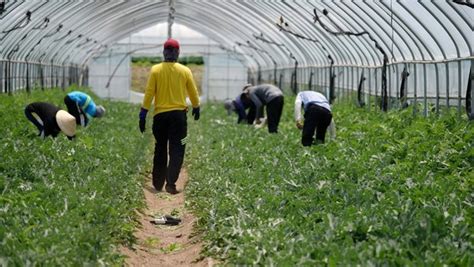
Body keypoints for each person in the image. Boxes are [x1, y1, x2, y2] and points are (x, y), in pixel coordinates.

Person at [138, 38, 200, 194]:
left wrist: (143, 113)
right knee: (178, 147)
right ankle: (171, 183)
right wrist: (196, 106)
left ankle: (158, 183)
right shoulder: (185, 71)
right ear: (178, 53)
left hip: (160, 118)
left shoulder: (156, 70)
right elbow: (193, 92)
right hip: (179, 118)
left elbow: (149, 93)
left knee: (160, 147)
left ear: (164, 52)